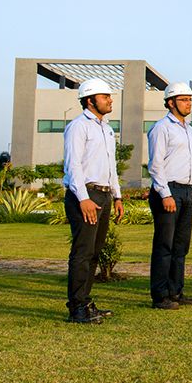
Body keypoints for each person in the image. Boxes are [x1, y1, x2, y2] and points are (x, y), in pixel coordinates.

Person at [62, 78, 124, 324]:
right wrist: (83, 198)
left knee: (94, 253)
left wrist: (117, 196)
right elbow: (73, 165)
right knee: (82, 252)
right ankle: (76, 307)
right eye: (105, 96)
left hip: (104, 194)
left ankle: (85, 302)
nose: (110, 100)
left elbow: (111, 167)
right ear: (90, 100)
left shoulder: (106, 129)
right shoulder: (79, 126)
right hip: (85, 195)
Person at [148, 81, 192, 310]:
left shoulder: (189, 130)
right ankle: (160, 295)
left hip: (186, 190)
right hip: (168, 190)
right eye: (183, 100)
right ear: (171, 102)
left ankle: (176, 291)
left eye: (190, 99)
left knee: (181, 246)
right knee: (165, 245)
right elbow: (156, 165)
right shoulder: (162, 128)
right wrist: (165, 194)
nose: (188, 103)